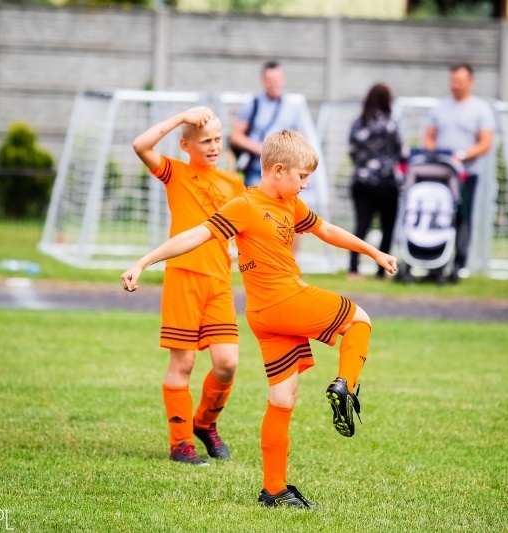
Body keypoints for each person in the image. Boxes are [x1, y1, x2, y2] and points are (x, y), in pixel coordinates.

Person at [122, 130, 398, 508]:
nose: (305, 185)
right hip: (286, 300)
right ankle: (345, 386)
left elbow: (327, 231)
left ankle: (274, 490)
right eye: (302, 177)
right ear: (279, 170)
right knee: (360, 319)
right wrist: (144, 261)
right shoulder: (245, 205)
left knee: (283, 398)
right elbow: (195, 235)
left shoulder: (290, 204)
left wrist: (373, 252)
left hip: (264, 317)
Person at [131, 106, 246, 466]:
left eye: (217, 140)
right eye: (205, 141)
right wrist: (181, 118)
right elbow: (140, 144)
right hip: (182, 277)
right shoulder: (175, 173)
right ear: (185, 145)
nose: (213, 147)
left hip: (220, 282)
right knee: (182, 364)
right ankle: (181, 444)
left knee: (227, 363)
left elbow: (245, 234)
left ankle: (205, 424)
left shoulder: (234, 184)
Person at [424, 62, 495, 282]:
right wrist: (435, 155)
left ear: (470, 82)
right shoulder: (439, 108)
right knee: (437, 218)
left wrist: (463, 155)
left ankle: (458, 266)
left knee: (462, 219)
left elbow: (486, 143)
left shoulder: (480, 109)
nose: (455, 85)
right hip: (441, 174)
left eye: (460, 81)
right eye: (453, 80)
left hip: (465, 175)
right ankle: (434, 265)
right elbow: (428, 136)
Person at [347, 83, 405, 280]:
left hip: (361, 182)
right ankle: (383, 270)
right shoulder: (390, 123)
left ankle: (354, 269)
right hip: (386, 184)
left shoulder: (358, 123)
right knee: (387, 227)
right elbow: (402, 152)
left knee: (361, 226)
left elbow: (352, 152)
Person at [229, 60, 304, 187]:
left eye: (278, 78)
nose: (274, 83)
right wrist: (258, 148)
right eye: (270, 79)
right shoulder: (252, 105)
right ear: (263, 81)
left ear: (283, 79)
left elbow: (300, 141)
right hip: (256, 171)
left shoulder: (293, 109)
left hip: (284, 172)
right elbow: (236, 136)